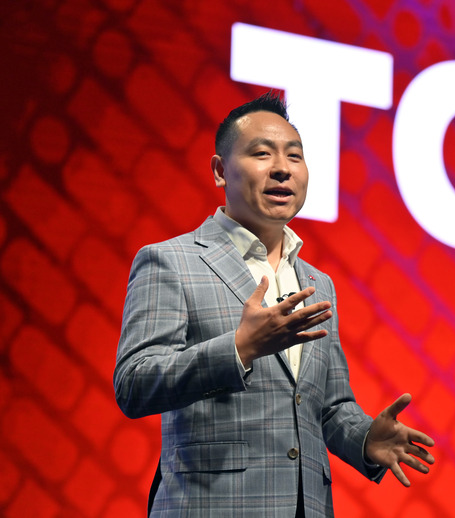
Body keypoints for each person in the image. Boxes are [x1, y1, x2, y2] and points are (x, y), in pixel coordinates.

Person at [114, 92, 435, 517]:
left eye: (295, 156)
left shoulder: (318, 284)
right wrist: (238, 348)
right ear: (219, 170)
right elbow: (134, 383)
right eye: (262, 153)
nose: (282, 168)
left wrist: (363, 439)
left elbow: (328, 405)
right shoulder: (171, 261)